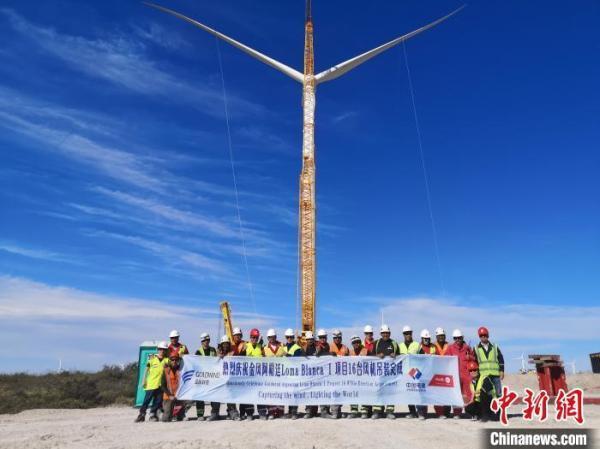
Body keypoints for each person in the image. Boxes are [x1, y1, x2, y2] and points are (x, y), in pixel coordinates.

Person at [135, 341, 169, 423]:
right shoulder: (152, 359)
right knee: (146, 400)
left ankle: (152, 415)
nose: (162, 351)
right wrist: (143, 380)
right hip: (151, 384)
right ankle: (141, 415)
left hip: (161, 385)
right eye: (161, 349)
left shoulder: (167, 360)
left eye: (164, 349)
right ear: (158, 349)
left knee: (158, 401)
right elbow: (146, 370)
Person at [371, 324, 398, 420]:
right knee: (378, 392)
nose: (385, 334)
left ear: (389, 333)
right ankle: (377, 412)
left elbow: (399, 357)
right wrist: (377, 355)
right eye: (383, 333)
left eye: (387, 333)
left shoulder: (394, 343)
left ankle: (389, 412)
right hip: (379, 373)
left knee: (390, 391)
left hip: (391, 374)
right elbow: (370, 356)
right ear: (380, 333)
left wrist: (395, 355)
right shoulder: (376, 343)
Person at [446, 328, 473, 418]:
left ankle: (471, 412)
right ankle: (457, 413)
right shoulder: (450, 348)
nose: (457, 340)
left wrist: (470, 357)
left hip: (466, 376)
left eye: (459, 338)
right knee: (456, 395)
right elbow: (445, 361)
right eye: (455, 338)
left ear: (462, 337)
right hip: (455, 376)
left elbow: (474, 359)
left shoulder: (467, 348)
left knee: (469, 395)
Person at [194, 333, 220, 421]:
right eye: (204, 340)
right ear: (202, 341)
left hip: (212, 377)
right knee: (200, 397)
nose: (206, 342)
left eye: (208, 340)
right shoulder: (198, 352)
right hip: (202, 378)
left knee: (215, 395)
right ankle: (200, 414)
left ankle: (215, 413)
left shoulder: (213, 350)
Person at [244, 328, 267, 420]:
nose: (254, 339)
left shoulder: (260, 347)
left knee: (260, 393)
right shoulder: (245, 346)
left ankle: (262, 412)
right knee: (249, 394)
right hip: (248, 375)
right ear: (250, 337)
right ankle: (249, 413)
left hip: (259, 375)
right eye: (253, 337)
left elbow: (265, 357)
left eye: (256, 337)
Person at [475, 326, 504, 397]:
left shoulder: (494, 347)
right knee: (486, 396)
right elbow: (475, 362)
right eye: (481, 335)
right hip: (483, 376)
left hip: (495, 376)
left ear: (488, 335)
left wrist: (502, 371)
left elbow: (501, 359)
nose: (483, 337)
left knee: (498, 395)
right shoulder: (476, 348)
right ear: (479, 337)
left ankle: (498, 408)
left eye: (485, 335)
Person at [416, 329, 438, 420]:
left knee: (429, 393)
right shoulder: (418, 347)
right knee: (421, 394)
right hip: (421, 374)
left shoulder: (433, 347)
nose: (426, 340)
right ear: (422, 339)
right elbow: (414, 360)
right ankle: (421, 412)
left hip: (430, 374)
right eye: (425, 338)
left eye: (428, 338)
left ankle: (425, 412)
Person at [217, 335, 240, 420]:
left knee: (231, 395)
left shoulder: (232, 352)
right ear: (221, 344)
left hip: (230, 378)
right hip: (220, 378)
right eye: (224, 344)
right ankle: (215, 412)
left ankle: (233, 412)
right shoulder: (218, 353)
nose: (225, 345)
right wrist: (218, 356)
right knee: (217, 395)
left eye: (227, 344)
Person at [399, 325, 420, 418]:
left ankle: (420, 411)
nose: (408, 335)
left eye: (409, 333)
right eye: (406, 333)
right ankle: (412, 412)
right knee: (409, 392)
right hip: (405, 372)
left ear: (412, 333)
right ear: (403, 334)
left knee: (418, 392)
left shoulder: (417, 344)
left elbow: (423, 357)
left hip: (415, 371)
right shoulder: (400, 346)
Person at [264, 328, 285, 419]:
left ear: (275, 337)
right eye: (270, 337)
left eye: (273, 337)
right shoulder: (265, 348)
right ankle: (271, 412)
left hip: (281, 374)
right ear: (268, 338)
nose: (271, 338)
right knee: (271, 393)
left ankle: (280, 412)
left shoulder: (282, 346)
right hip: (270, 375)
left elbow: (288, 358)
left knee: (281, 393)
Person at [282, 328, 303, 419]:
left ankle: (294, 412)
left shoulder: (297, 348)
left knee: (294, 393)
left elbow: (297, 360)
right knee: (288, 394)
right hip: (286, 374)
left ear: (293, 337)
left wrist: (288, 355)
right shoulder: (283, 348)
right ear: (286, 337)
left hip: (295, 374)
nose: (289, 338)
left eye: (291, 337)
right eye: (288, 337)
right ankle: (289, 411)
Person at [328, 329, 348, 418]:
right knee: (333, 392)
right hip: (332, 374)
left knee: (340, 393)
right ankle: (334, 412)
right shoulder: (329, 347)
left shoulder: (345, 348)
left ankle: (338, 410)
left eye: (339, 337)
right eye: (335, 338)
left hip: (342, 374)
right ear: (333, 338)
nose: (337, 339)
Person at [315, 329, 335, 418]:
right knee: (323, 391)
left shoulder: (327, 345)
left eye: (324, 337)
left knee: (327, 392)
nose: (323, 339)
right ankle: (323, 411)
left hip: (327, 373)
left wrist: (331, 354)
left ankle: (326, 410)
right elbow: (318, 355)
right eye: (321, 337)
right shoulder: (318, 346)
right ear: (319, 338)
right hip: (320, 373)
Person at [348, 335, 369, 419]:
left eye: (357, 342)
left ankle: (364, 411)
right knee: (353, 394)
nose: (356, 344)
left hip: (364, 377)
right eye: (354, 343)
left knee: (364, 393)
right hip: (353, 377)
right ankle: (354, 411)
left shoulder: (366, 351)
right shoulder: (350, 352)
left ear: (360, 343)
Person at [433, 327, 451, 419]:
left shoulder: (449, 345)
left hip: (447, 373)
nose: (441, 337)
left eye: (442, 335)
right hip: (437, 373)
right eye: (439, 336)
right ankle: (439, 412)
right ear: (436, 336)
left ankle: (447, 412)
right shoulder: (433, 346)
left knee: (447, 393)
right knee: (437, 393)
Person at [162, 353, 184, 422]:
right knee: (166, 419)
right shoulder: (166, 370)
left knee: (190, 400)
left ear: (178, 361)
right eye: (172, 360)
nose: (174, 361)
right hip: (169, 397)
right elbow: (163, 385)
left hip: (179, 396)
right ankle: (161, 411)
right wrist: (170, 395)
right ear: (169, 361)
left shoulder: (182, 370)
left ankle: (179, 414)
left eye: (176, 360)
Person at [303, 331, 319, 419]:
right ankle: (308, 411)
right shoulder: (304, 348)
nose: (310, 341)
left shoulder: (317, 348)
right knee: (308, 393)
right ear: (306, 340)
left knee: (315, 392)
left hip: (316, 374)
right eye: (308, 339)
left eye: (311, 339)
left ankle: (315, 411)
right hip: (307, 374)